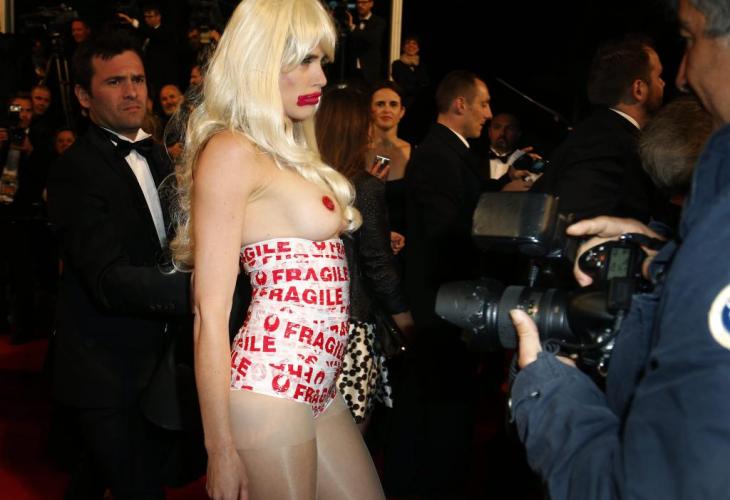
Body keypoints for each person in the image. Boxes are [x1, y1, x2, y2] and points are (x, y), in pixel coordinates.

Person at [508, 1, 730, 498]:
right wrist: (663, 260)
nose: (680, 77)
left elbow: (655, 484)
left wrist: (547, 394)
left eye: (689, 40)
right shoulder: (607, 141)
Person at [169, 0, 385, 498]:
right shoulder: (230, 151)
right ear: (262, 60)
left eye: (321, 61)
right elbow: (208, 313)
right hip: (270, 384)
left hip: (321, 385)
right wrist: (219, 449)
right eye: (305, 60)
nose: (321, 77)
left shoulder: (295, 153)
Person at [46, 30, 193, 499]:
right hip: (105, 369)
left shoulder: (157, 152)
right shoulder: (74, 170)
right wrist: (198, 290)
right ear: (83, 96)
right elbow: (108, 279)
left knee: (97, 476)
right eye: (114, 82)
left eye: (138, 79)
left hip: (157, 361)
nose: (132, 91)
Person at [316, 85, 413, 430]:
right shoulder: (364, 186)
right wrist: (406, 321)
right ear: (356, 130)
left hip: (309, 327)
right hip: (351, 328)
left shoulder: (304, 181)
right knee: (348, 444)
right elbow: (377, 266)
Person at [534, 34, 665, 223]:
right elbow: (577, 225)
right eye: (659, 76)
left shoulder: (596, 133)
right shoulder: (608, 145)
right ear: (638, 89)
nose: (663, 83)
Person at [368, 81, 410, 254]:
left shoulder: (415, 154)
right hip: (367, 245)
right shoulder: (355, 152)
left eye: (393, 104)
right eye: (380, 104)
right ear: (370, 110)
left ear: (402, 112)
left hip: (407, 247)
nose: (386, 110)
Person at [346, 0, 386, 87]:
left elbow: (372, 38)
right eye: (358, 2)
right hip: (352, 71)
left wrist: (353, 28)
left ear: (371, 4)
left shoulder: (378, 22)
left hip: (370, 71)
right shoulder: (352, 20)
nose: (360, 5)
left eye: (363, 2)